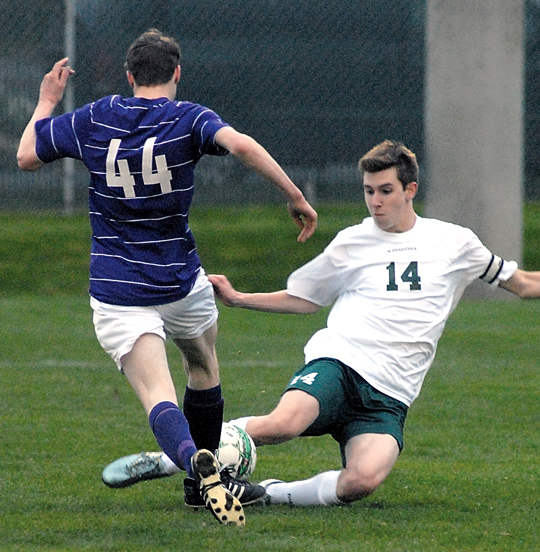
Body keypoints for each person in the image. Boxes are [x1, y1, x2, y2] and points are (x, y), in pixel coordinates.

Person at [102, 139, 540, 507]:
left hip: (392, 394)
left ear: (411, 189)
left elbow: (521, 284)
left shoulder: (455, 242)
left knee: (361, 482)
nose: (375, 201)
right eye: (368, 191)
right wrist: (240, 298)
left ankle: (268, 495)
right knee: (282, 424)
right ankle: (170, 458)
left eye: (385, 190)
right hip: (341, 363)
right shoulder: (352, 241)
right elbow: (304, 299)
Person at [17, 29, 317, 525]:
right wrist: (294, 195)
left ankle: (198, 468)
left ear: (131, 76)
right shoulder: (188, 118)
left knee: (157, 393)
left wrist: (45, 103)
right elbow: (240, 146)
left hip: (119, 289)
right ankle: (202, 480)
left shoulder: (96, 116)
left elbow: (27, 155)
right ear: (177, 73)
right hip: (181, 281)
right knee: (203, 369)